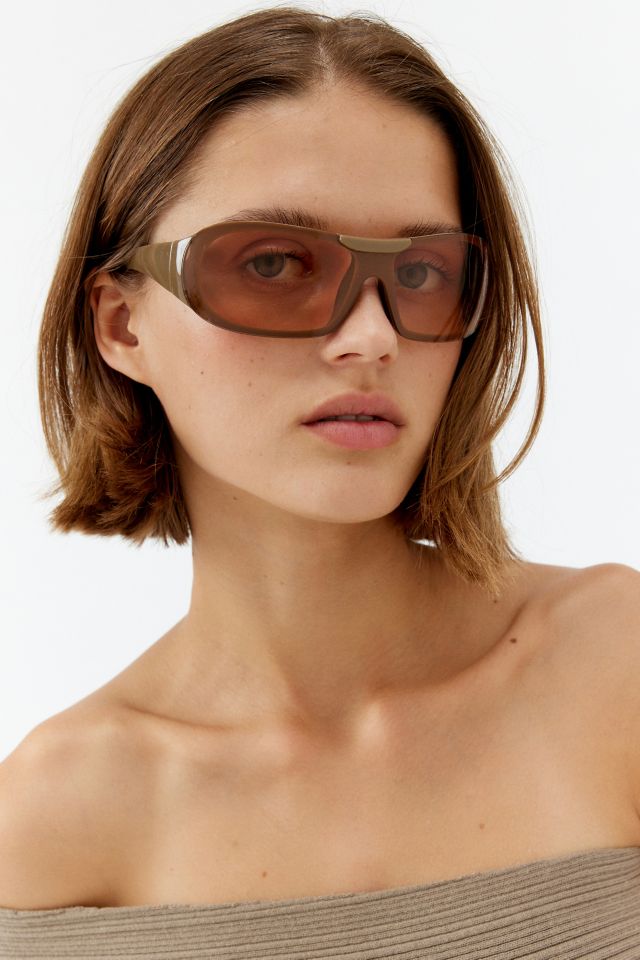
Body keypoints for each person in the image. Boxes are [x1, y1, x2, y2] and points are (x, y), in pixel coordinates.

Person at [1, 6, 639, 958]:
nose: (370, 336)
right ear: (122, 326)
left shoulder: (614, 666)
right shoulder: (54, 818)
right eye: (272, 263)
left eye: (420, 272)